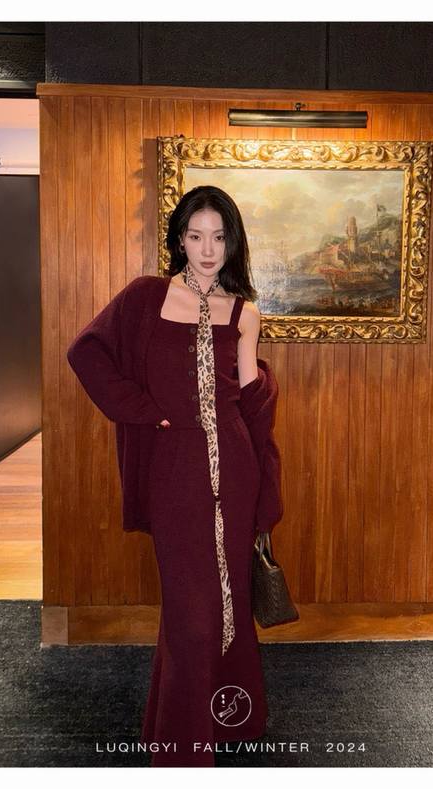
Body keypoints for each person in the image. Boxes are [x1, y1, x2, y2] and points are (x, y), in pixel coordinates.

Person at [67, 185, 283, 767]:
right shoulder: (145, 297)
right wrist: (143, 410)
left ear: (232, 243)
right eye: (195, 236)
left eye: (219, 237)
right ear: (179, 240)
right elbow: (85, 353)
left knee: (230, 599)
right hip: (175, 475)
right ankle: (183, 749)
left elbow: (251, 404)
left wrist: (264, 489)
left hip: (234, 469)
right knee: (191, 613)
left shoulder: (245, 312)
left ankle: (230, 718)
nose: (207, 250)